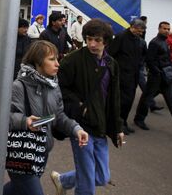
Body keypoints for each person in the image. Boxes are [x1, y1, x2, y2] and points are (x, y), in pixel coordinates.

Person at [3, 41, 88, 195]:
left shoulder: (53, 85)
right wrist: (25, 121)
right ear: (38, 62)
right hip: (22, 150)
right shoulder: (19, 86)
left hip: (41, 150)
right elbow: (4, 118)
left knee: (16, 189)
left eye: (57, 59)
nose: (57, 64)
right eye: (51, 59)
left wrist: (76, 129)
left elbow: (59, 116)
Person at [50, 19, 124, 195]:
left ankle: (62, 180)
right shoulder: (73, 60)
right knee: (87, 184)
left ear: (106, 41)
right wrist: (79, 106)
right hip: (81, 126)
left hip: (101, 126)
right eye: (89, 39)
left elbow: (115, 99)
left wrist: (118, 127)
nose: (92, 44)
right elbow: (58, 87)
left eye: (97, 40)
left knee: (101, 177)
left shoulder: (111, 64)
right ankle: (71, 183)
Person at [108, 18, 146, 135]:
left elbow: (143, 55)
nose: (141, 33)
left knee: (129, 100)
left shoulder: (139, 40)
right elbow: (111, 54)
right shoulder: (121, 37)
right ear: (132, 27)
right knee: (122, 101)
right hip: (122, 75)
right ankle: (118, 124)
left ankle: (123, 122)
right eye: (139, 31)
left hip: (133, 75)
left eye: (142, 31)